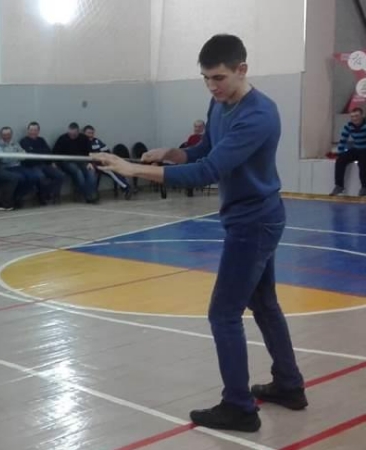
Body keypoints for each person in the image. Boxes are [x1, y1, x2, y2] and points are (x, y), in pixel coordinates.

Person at [92, 34, 307, 432]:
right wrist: (171, 154)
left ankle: (239, 407)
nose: (212, 86)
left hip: (254, 221)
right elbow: (206, 149)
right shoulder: (219, 103)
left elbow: (209, 170)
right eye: (205, 78)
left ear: (242, 70)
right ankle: (289, 385)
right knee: (264, 304)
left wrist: (132, 169)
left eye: (219, 78)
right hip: (249, 217)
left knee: (223, 314)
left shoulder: (259, 115)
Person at [19, 122, 65, 202]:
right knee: (41, 177)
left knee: (60, 175)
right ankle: (43, 197)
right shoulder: (23, 141)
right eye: (31, 130)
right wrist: (40, 152)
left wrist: (51, 162)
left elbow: (48, 152)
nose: (33, 132)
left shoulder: (41, 140)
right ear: (28, 130)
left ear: (38, 131)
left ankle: (51, 195)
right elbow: (29, 155)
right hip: (31, 166)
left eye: (35, 130)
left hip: (45, 164)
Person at [53, 122, 98, 203]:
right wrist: (54, 163)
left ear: (78, 132)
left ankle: (91, 194)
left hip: (82, 161)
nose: (72, 136)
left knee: (91, 172)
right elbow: (55, 152)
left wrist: (90, 162)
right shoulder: (62, 139)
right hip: (66, 162)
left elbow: (89, 152)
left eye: (74, 135)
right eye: (70, 134)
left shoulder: (84, 138)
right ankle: (83, 194)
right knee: (78, 172)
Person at [0, 127, 42, 205]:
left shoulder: (15, 143)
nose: (6, 136)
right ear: (1, 135)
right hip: (7, 168)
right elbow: (4, 160)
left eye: (8, 134)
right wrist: (17, 156)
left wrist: (13, 156)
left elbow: (24, 155)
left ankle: (19, 196)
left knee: (34, 177)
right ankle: (14, 198)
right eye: (4, 135)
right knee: (20, 178)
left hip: (18, 166)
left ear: (11, 134)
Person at [84, 125, 130, 197]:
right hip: (90, 164)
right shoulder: (82, 142)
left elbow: (106, 151)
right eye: (88, 133)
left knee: (115, 169)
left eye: (92, 133)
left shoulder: (97, 141)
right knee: (108, 170)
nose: (90, 135)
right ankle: (126, 187)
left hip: (102, 162)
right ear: (84, 133)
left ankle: (126, 187)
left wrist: (108, 160)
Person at [330, 107, 366, 196]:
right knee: (340, 159)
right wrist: (340, 153)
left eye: (357, 116)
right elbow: (343, 140)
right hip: (356, 148)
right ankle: (339, 186)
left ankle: (364, 187)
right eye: (352, 116)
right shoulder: (349, 126)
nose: (354, 118)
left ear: (362, 116)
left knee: (363, 164)